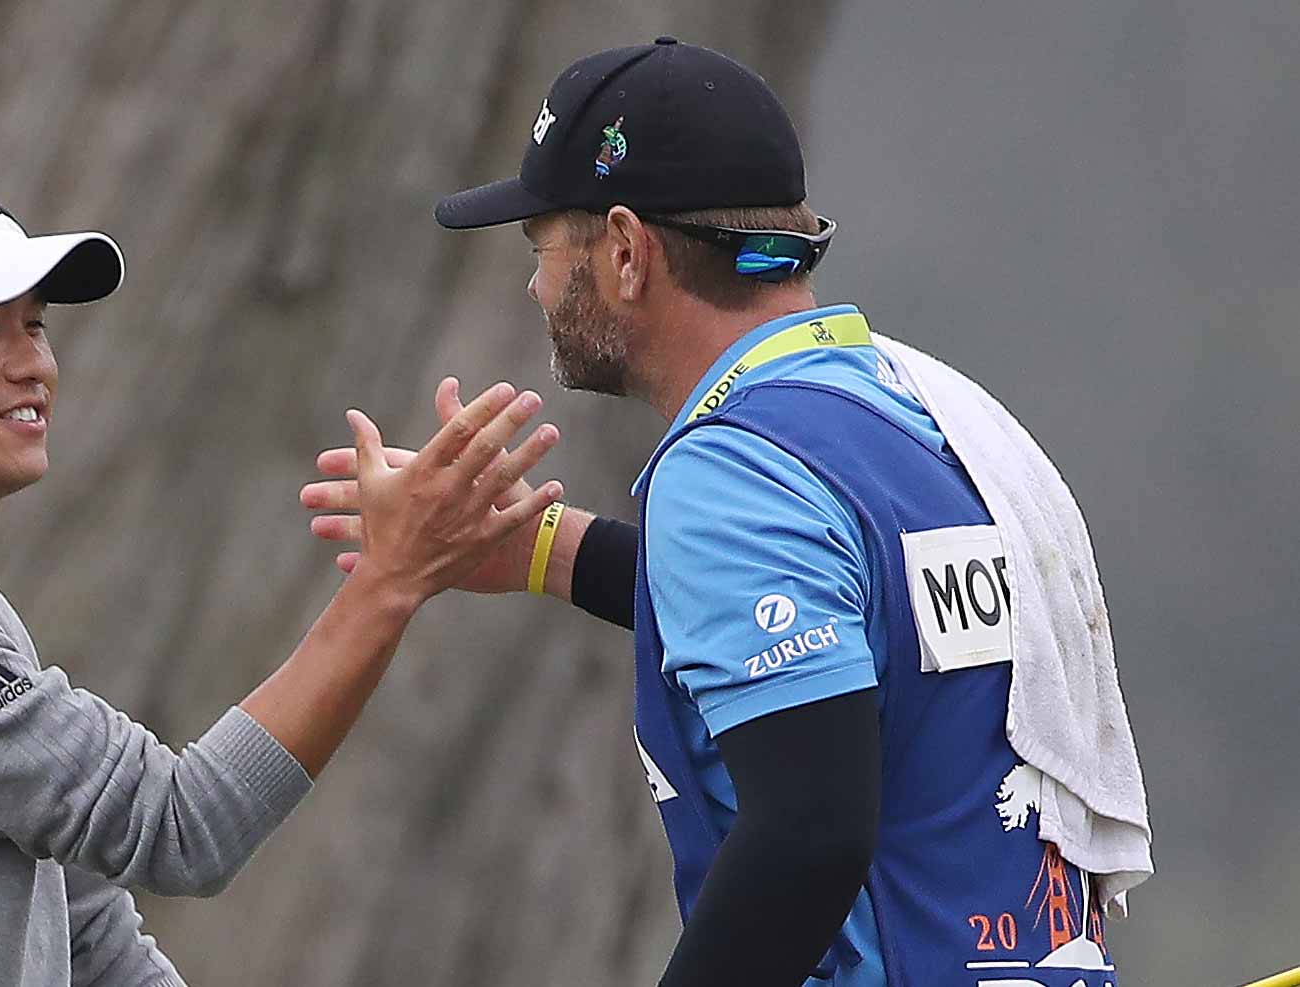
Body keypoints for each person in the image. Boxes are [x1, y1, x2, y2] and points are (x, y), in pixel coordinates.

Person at [304, 39, 1151, 987]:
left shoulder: (729, 470)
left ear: (625, 253)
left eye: (540, 246)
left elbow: (809, 834)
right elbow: (847, 633)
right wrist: (545, 549)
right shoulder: (917, 409)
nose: (535, 284)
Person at [0, 170, 564, 987]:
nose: (32, 362)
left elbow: (86, 929)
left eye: (34, 323)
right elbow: (181, 824)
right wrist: (389, 580)